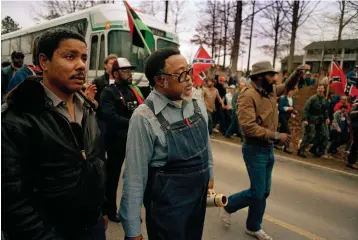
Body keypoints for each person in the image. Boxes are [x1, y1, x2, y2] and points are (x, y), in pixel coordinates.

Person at [2, 28, 106, 239]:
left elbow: (94, 163)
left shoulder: (87, 109)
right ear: (44, 62)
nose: (81, 65)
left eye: (84, 57)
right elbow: (12, 201)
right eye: (70, 56)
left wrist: (99, 212)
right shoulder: (16, 120)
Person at [119, 48, 214, 240]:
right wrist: (132, 229)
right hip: (167, 209)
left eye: (189, 71)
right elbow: (135, 177)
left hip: (198, 200)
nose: (189, 79)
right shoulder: (144, 117)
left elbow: (206, 142)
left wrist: (209, 173)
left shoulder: (196, 100)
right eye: (181, 74)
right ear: (160, 80)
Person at [220, 61, 306, 240]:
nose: (275, 78)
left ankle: (253, 226)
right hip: (254, 149)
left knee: (264, 192)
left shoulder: (270, 90)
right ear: (260, 76)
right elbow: (248, 128)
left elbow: (287, 86)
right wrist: (276, 135)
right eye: (271, 75)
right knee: (257, 192)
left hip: (268, 149)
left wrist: (297, 73)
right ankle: (228, 205)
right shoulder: (247, 96)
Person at [100, 57, 143, 223]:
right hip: (116, 142)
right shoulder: (108, 92)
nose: (129, 73)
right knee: (113, 177)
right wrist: (133, 122)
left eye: (130, 70)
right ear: (116, 74)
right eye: (125, 70)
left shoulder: (133, 90)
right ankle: (110, 210)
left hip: (134, 139)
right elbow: (109, 116)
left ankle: (130, 212)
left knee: (134, 178)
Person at [298, 84, 330, 158]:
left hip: (320, 120)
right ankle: (301, 149)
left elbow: (325, 110)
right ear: (317, 89)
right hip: (311, 119)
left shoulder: (324, 99)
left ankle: (316, 150)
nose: (320, 90)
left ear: (324, 90)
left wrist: (327, 118)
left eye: (322, 88)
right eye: (319, 88)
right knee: (310, 135)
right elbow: (306, 109)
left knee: (324, 135)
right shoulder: (312, 98)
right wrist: (305, 119)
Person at [278, 89, 297, 153]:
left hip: (287, 117)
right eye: (290, 90)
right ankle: (287, 147)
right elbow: (279, 108)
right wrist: (288, 108)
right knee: (287, 131)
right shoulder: (283, 98)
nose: (291, 92)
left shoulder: (293, 100)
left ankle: (276, 143)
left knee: (281, 131)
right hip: (282, 116)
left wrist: (293, 112)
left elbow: (292, 109)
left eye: (292, 91)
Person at [347, 100, 358, 169]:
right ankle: (351, 162)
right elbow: (350, 113)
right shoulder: (357, 106)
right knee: (356, 144)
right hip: (357, 127)